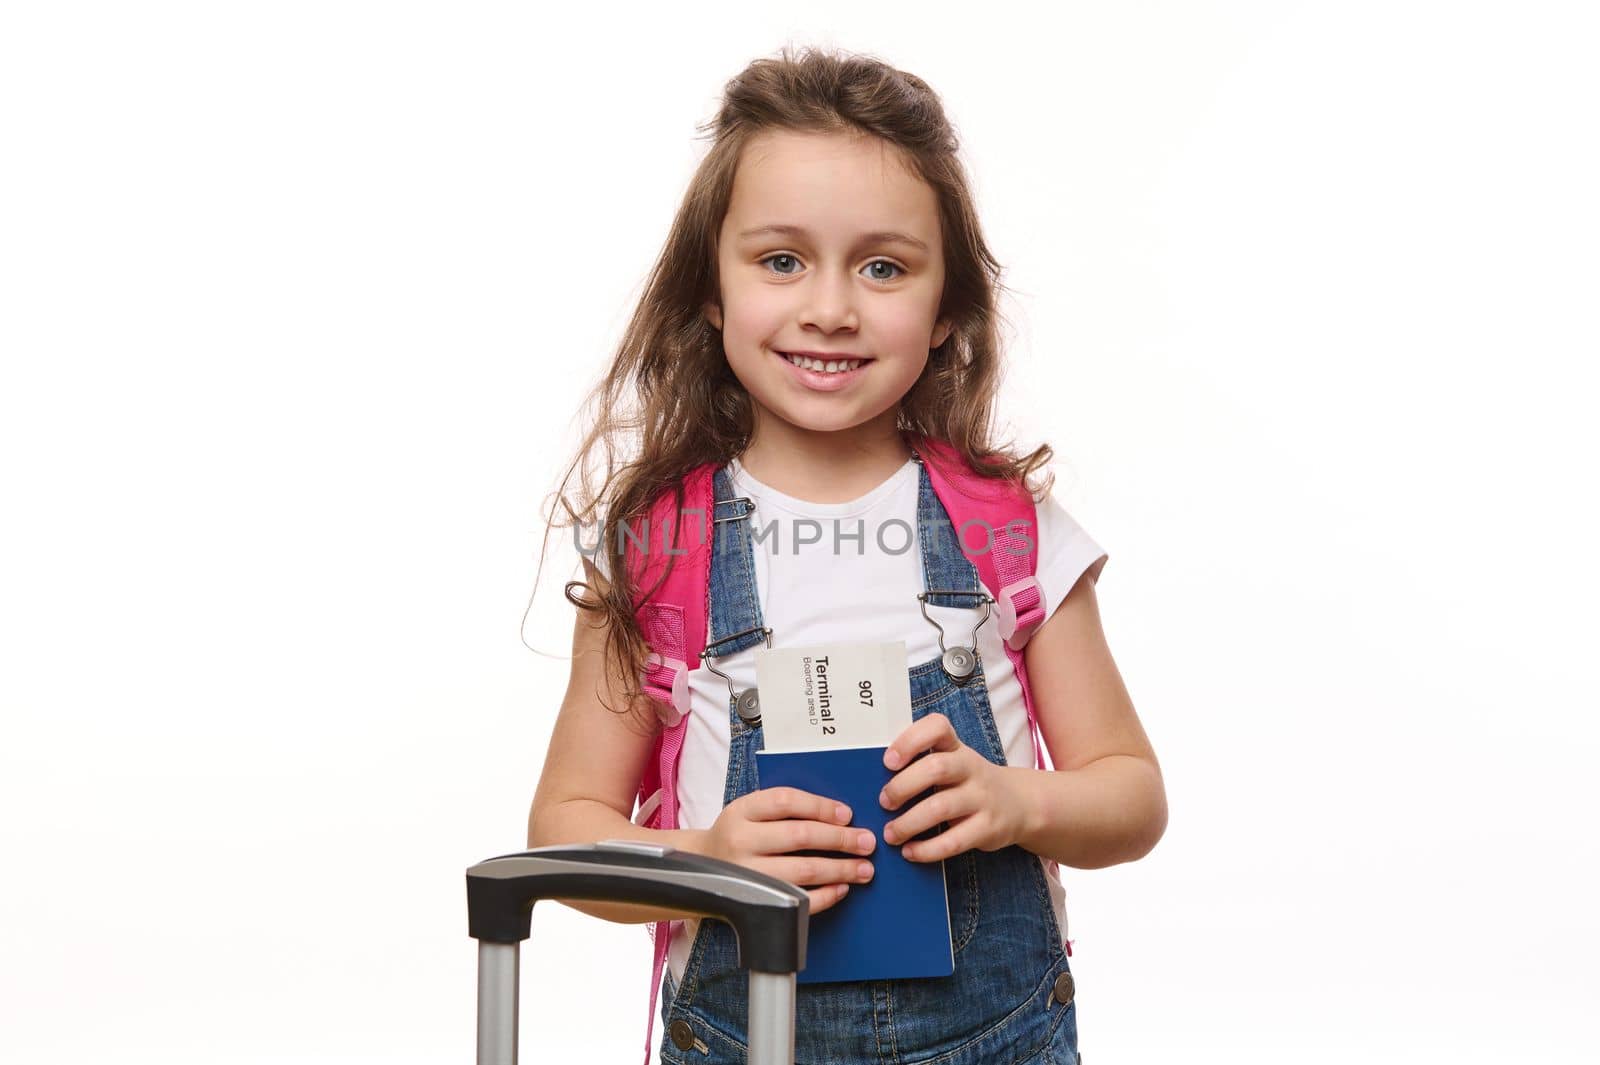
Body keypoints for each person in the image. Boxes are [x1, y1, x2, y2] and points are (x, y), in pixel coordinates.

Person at [525, 44, 1166, 1065]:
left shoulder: (1010, 536)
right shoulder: (657, 551)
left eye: (883, 266)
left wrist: (1018, 801)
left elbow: (1130, 797)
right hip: (743, 1043)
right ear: (709, 288)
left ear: (948, 305)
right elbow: (566, 831)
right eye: (781, 260)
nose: (830, 306)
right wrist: (704, 857)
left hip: (999, 1040)